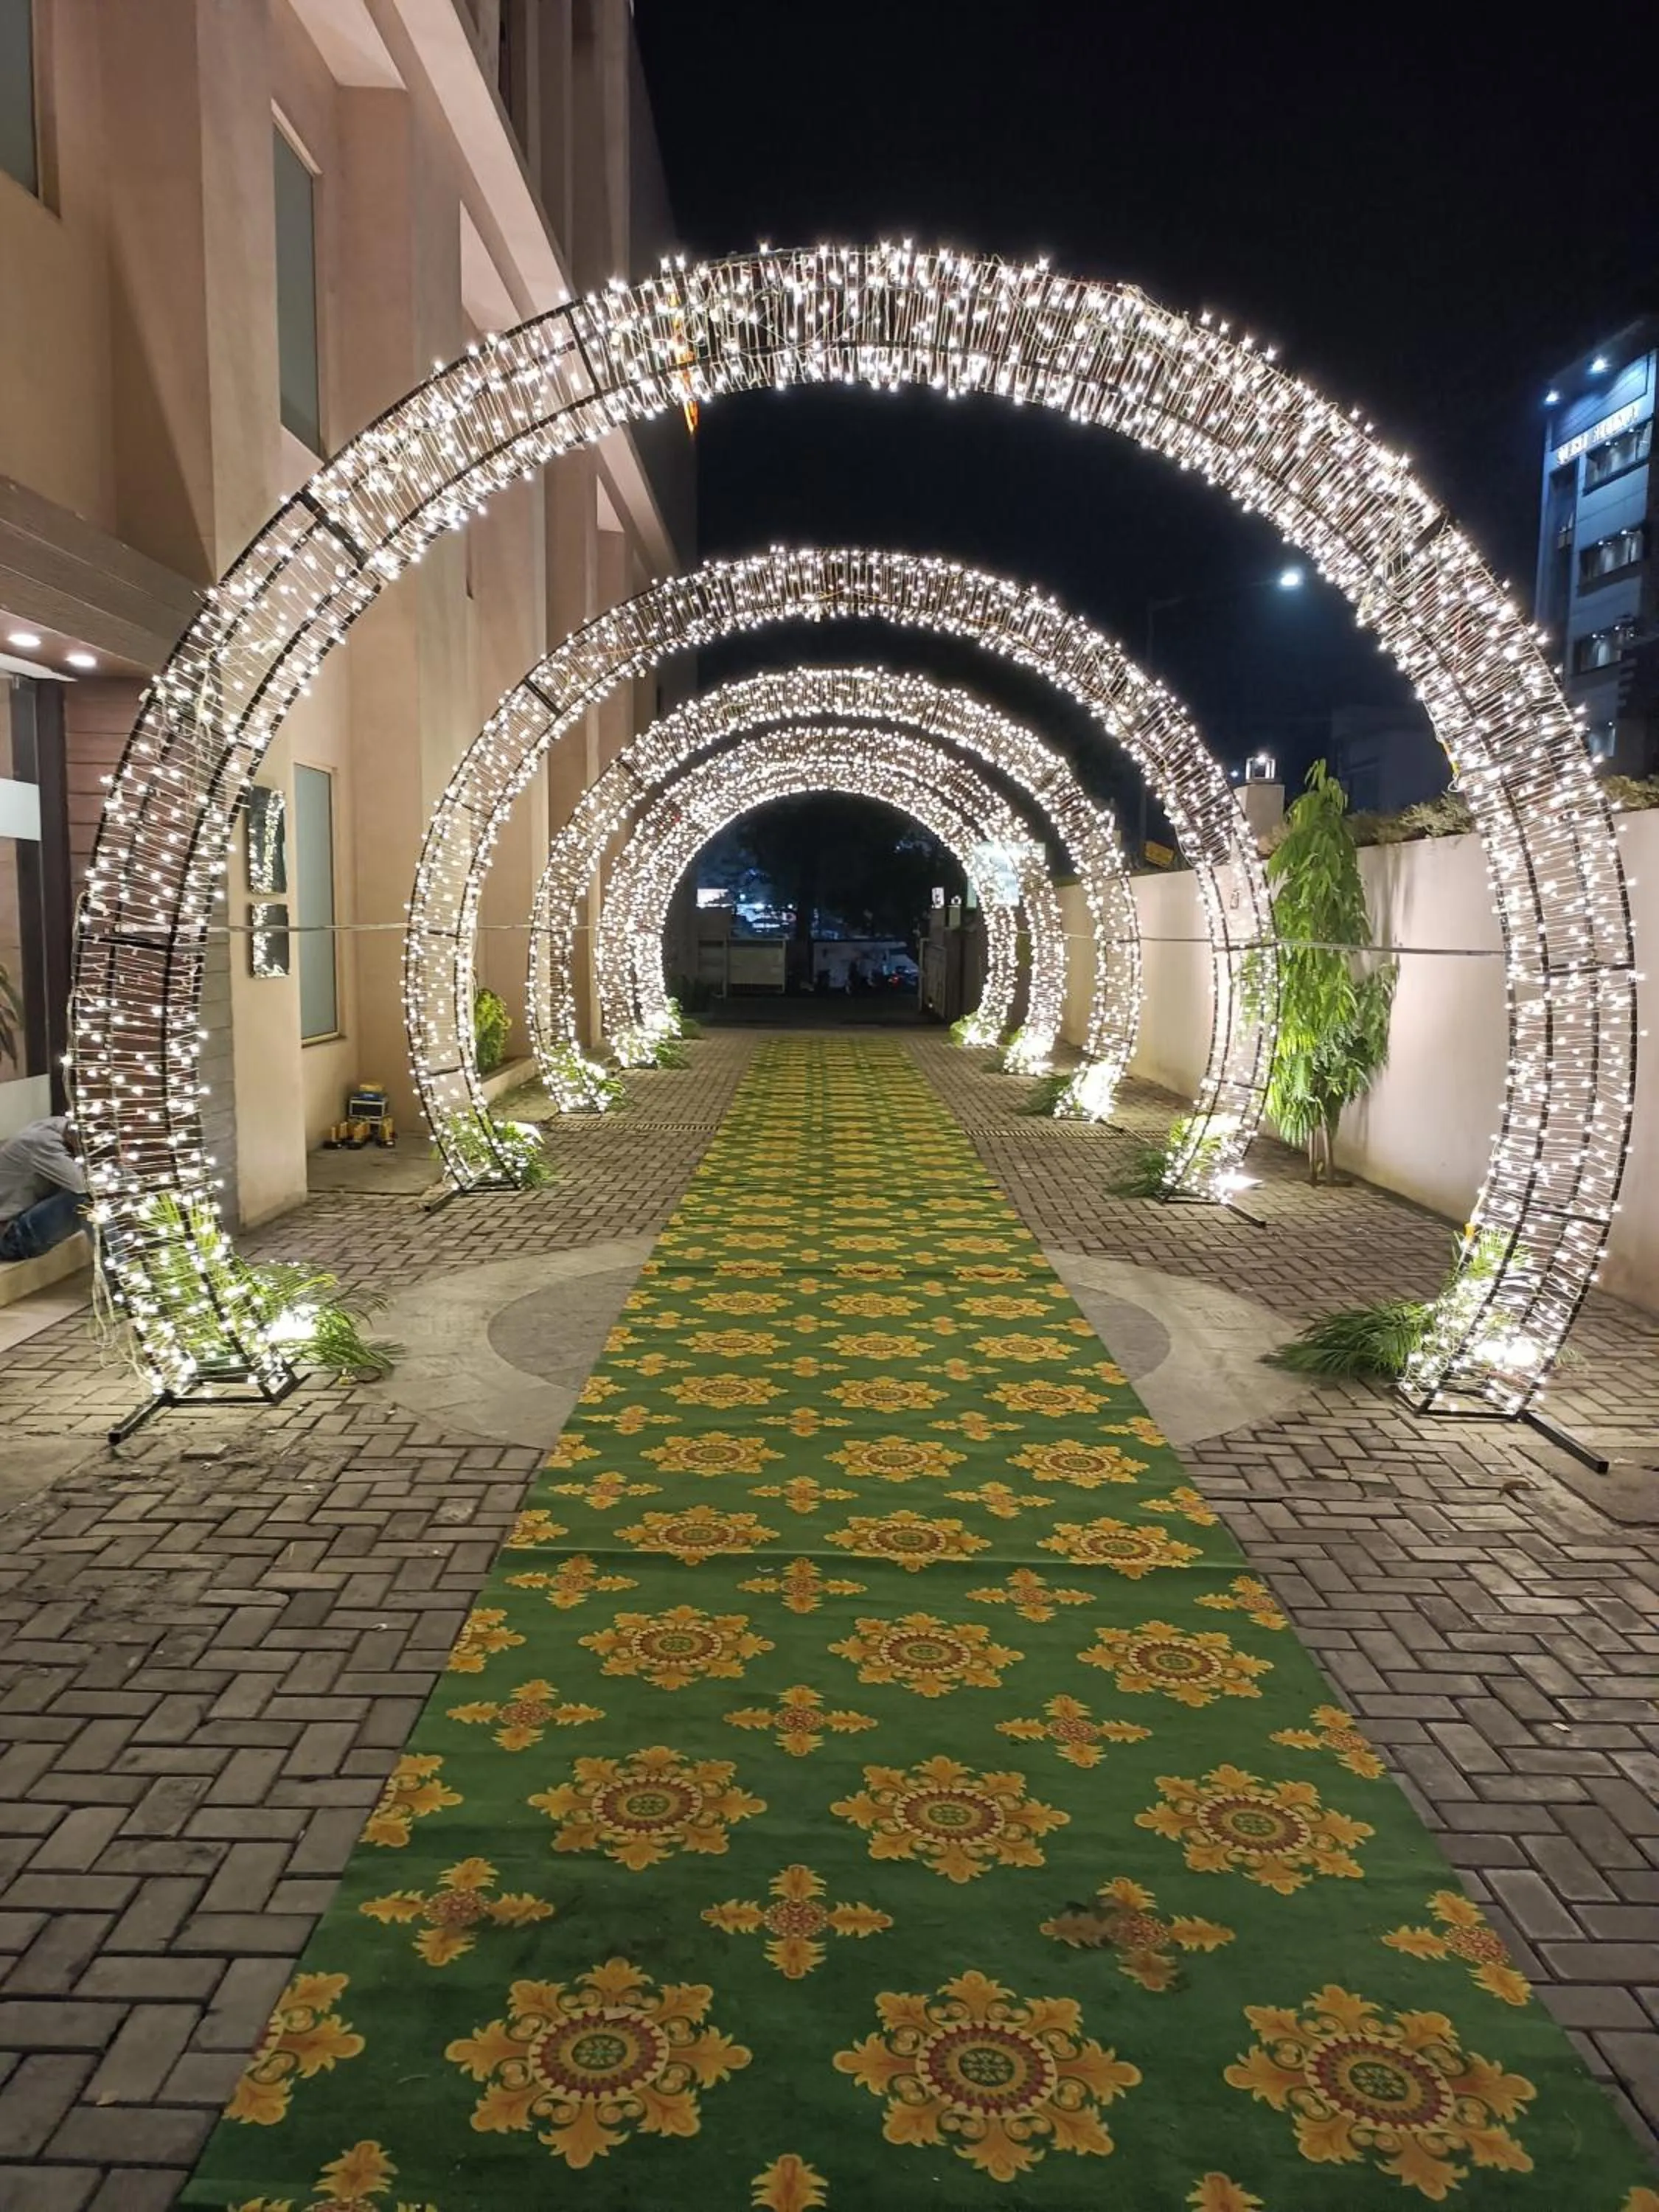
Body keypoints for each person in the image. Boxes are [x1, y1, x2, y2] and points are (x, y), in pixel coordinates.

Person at [0, 1116, 88, 1261]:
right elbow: (84, 1186)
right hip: (9, 1237)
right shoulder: (41, 1142)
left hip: (22, 1218)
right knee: (86, 1199)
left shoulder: (60, 1127)